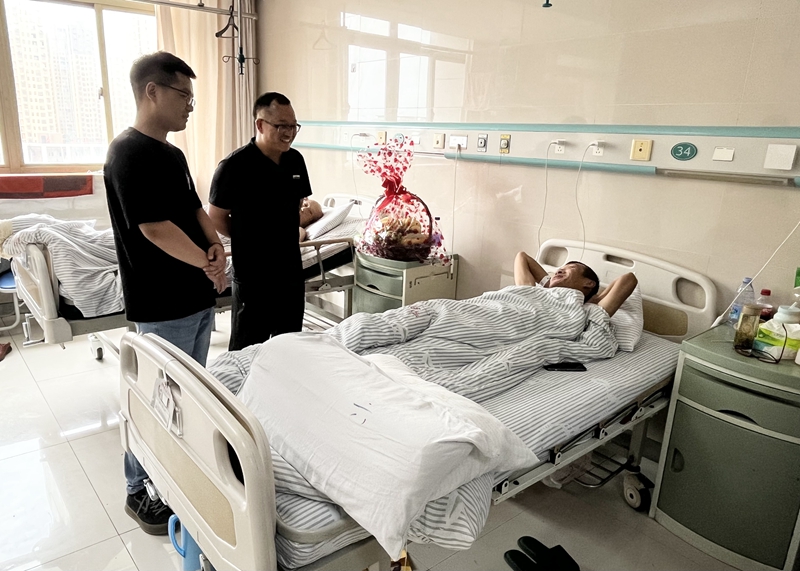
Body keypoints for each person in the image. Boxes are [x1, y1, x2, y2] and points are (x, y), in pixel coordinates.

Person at [104, 51, 226, 535]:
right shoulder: (127, 153)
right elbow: (154, 228)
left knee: (188, 394)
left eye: (192, 98)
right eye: (184, 95)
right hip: (160, 301)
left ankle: (172, 472)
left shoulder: (172, 155)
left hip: (194, 295)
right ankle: (138, 489)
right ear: (152, 91)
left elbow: (194, 210)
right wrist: (206, 262)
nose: (190, 105)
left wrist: (217, 248)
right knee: (155, 397)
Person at [208, 92, 312, 351]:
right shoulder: (234, 166)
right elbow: (216, 217)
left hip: (290, 271)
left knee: (289, 345)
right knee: (248, 349)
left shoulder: (295, 161)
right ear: (260, 125)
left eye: (293, 126)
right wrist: (248, 237)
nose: (289, 132)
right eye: (281, 126)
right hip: (253, 274)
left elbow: (297, 205)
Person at [514, 251, 637, 317]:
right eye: (560, 269)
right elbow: (522, 256)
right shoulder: (532, 293)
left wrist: (597, 299)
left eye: (571, 268)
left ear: (589, 283)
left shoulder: (589, 311)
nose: (558, 271)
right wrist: (550, 285)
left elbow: (629, 279)